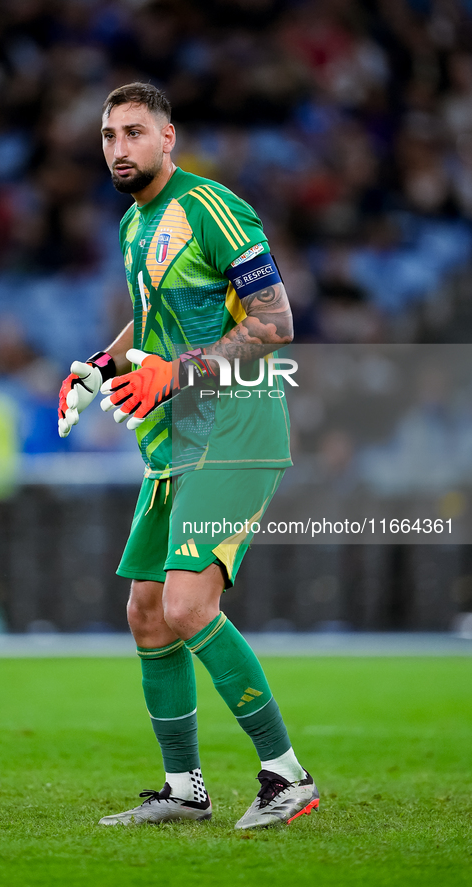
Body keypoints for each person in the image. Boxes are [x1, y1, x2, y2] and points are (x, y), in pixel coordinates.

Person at [57, 82, 319, 830]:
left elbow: (274, 322)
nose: (118, 148)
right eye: (108, 136)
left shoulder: (211, 207)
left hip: (235, 427)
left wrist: (176, 371)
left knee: (184, 603)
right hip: (178, 442)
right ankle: (184, 788)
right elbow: (149, 318)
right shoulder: (134, 225)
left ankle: (286, 773)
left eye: (133, 132)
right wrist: (98, 366)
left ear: (167, 138)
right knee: (145, 612)